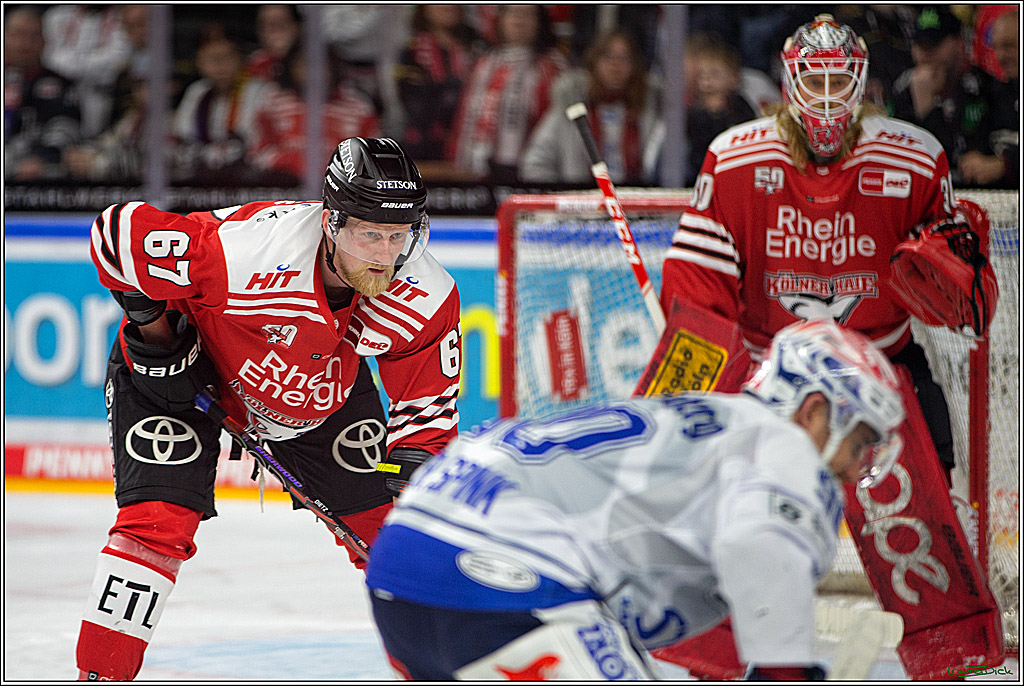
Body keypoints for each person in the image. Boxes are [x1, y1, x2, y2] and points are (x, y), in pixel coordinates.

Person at [76, 137, 462, 680]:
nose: (384, 255)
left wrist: (408, 510)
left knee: (399, 538)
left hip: (319, 389)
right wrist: (158, 335)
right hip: (183, 373)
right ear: (331, 223)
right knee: (156, 525)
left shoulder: (425, 296)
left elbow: (426, 430)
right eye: (370, 234)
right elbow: (117, 235)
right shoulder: (247, 254)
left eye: (398, 235)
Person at [366, 319, 905, 680]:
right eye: (859, 441)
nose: (857, 465)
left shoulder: (704, 418)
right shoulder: (783, 446)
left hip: (401, 564)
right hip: (504, 578)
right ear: (813, 411)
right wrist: (787, 672)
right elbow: (758, 545)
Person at [660, 13, 982, 481]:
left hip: (883, 363)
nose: (827, 97)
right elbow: (697, 290)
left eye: (838, 81)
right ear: (791, 84)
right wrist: (698, 386)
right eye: (815, 81)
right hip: (771, 373)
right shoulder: (733, 160)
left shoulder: (915, 160)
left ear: (860, 84)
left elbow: (961, 297)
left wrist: (957, 275)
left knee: (928, 516)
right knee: (757, 506)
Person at [520, 29, 663, 186]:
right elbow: (535, 164)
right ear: (594, 62)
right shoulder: (570, 106)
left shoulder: (652, 110)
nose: (615, 66)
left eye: (623, 58)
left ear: (634, 65)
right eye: (608, 57)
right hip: (584, 198)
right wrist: (565, 196)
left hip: (637, 198)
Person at [447, 4, 567, 184]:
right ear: (500, 19)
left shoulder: (551, 67)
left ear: (540, 22)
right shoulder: (483, 64)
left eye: (527, 14)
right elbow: (463, 119)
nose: (519, 20)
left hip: (527, 172)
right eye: (512, 12)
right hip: (477, 167)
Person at [890, 7, 1001, 187]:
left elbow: (959, 164)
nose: (925, 55)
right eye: (920, 46)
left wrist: (927, 109)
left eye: (934, 45)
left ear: (959, 44)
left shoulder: (984, 89)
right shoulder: (902, 88)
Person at [249, 42, 381, 185]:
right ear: (291, 67)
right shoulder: (272, 102)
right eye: (305, 64)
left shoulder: (358, 107)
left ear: (332, 66)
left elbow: (373, 157)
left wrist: (334, 168)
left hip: (342, 187)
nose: (312, 72)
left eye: (319, 64)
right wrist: (294, 163)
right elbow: (257, 153)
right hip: (285, 187)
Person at [172, 32, 268, 184]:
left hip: (249, 180)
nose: (220, 65)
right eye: (211, 58)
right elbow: (182, 137)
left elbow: (253, 142)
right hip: (201, 179)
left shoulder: (260, 90)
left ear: (241, 59)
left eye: (227, 57)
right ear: (199, 63)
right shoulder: (197, 91)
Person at [394, 5, 482, 164]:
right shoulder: (412, 50)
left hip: (469, 146)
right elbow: (414, 104)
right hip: (423, 148)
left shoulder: (476, 48)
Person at [4, 7, 81, 182]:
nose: (24, 44)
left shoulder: (60, 85)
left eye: (33, 36)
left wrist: (43, 157)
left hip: (41, 175)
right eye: (18, 35)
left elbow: (66, 129)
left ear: (44, 41)